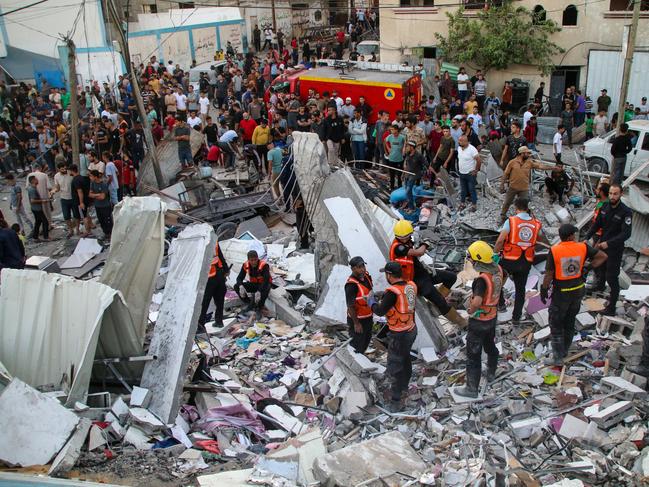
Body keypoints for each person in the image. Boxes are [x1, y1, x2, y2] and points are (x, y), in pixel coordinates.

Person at [541, 224, 607, 365]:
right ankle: (564, 350)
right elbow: (602, 256)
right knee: (570, 321)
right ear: (570, 235)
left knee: (556, 324)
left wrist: (544, 289)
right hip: (578, 291)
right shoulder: (582, 247)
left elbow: (549, 274)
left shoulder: (554, 250)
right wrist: (587, 268)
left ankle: (557, 358)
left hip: (561, 294)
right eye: (574, 234)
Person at [390, 220, 466, 326]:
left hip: (424, 274)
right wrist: (425, 244)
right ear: (398, 236)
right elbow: (419, 253)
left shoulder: (406, 242)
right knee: (441, 303)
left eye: (408, 236)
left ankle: (433, 304)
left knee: (451, 277)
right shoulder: (398, 247)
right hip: (416, 281)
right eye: (404, 237)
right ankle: (462, 323)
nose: (407, 238)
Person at [455, 241, 504, 398]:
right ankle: (491, 372)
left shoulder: (481, 280)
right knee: (490, 345)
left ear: (477, 260)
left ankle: (471, 389)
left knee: (473, 356)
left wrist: (470, 310)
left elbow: (476, 302)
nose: (469, 261)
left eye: (470, 258)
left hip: (479, 321)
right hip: (491, 317)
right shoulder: (498, 271)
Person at [368, 261, 417, 412]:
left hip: (398, 334)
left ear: (389, 275)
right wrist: (384, 295)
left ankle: (395, 401)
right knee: (406, 359)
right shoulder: (411, 285)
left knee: (395, 365)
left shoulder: (392, 292)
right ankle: (404, 387)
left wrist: (371, 301)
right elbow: (400, 296)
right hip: (411, 329)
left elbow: (380, 311)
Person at [585, 183, 632, 316]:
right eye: (610, 193)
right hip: (602, 245)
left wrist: (609, 243)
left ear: (620, 194)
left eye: (615, 194)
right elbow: (597, 224)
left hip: (614, 249)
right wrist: (586, 237)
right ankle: (599, 286)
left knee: (612, 277)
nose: (612, 196)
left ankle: (611, 308)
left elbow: (626, 234)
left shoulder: (626, 212)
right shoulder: (604, 206)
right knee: (598, 267)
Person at [494, 198, 541, 323]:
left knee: (497, 281)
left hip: (509, 260)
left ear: (516, 208)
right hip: (525, 262)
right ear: (527, 207)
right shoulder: (536, 223)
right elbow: (538, 239)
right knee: (520, 290)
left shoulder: (512, 221)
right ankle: (516, 318)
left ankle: (501, 305)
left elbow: (500, 240)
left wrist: (495, 253)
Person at [500, 146, 554, 223]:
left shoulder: (529, 162)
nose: (529, 154)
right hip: (513, 187)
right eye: (527, 153)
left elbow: (540, 166)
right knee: (507, 202)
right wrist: (502, 184)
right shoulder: (512, 162)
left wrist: (552, 168)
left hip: (524, 188)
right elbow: (505, 174)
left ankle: (523, 218)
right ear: (522, 153)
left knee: (524, 203)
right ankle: (503, 216)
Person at [345, 256, 374, 354]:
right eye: (359, 267)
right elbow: (350, 306)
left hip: (368, 317)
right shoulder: (351, 285)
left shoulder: (366, 277)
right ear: (353, 269)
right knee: (357, 344)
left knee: (366, 340)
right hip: (358, 320)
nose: (363, 269)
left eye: (363, 266)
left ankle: (362, 357)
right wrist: (356, 324)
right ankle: (356, 363)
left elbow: (368, 293)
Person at [198, 241, 229, 332]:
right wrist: (226, 269)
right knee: (219, 300)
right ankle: (219, 322)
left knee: (205, 302)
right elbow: (220, 255)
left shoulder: (201, 240)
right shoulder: (214, 240)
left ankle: (200, 326)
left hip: (209, 276)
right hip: (219, 273)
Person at [235, 250, 272, 317]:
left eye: (255, 260)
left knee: (267, 287)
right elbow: (239, 278)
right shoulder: (245, 265)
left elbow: (266, 280)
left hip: (263, 285)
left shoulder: (264, 265)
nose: (254, 262)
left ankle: (258, 307)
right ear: (248, 260)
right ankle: (248, 302)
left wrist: (259, 291)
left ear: (258, 258)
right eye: (251, 260)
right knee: (236, 286)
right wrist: (241, 286)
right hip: (254, 284)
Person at [51, 162, 77, 238]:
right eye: (62, 169)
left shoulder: (70, 173)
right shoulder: (56, 176)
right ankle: (70, 230)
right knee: (66, 216)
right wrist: (53, 191)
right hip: (64, 198)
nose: (64, 170)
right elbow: (57, 187)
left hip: (73, 197)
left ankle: (76, 228)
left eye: (65, 168)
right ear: (59, 169)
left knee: (76, 215)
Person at [457, 135, 481, 212]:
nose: (459, 142)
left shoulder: (472, 149)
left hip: (470, 174)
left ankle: (474, 205)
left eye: (461, 141)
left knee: (471, 189)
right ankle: (462, 203)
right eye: (459, 140)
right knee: (463, 189)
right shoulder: (459, 148)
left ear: (466, 141)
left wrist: (476, 170)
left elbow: (479, 160)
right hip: (461, 173)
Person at [88, 170, 113, 240]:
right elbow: (90, 194)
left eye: (91, 176)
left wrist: (94, 195)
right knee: (101, 220)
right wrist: (98, 194)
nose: (90, 177)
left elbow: (103, 197)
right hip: (97, 206)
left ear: (95, 177)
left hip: (105, 206)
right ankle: (106, 233)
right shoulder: (92, 184)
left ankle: (110, 234)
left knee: (107, 221)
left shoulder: (103, 184)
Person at [27, 175, 49, 241]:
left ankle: (35, 236)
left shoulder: (33, 188)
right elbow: (33, 200)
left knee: (38, 222)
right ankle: (46, 237)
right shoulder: (32, 189)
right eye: (36, 179)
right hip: (37, 209)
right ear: (33, 181)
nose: (37, 180)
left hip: (35, 208)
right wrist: (43, 201)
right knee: (45, 222)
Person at [384, 123, 405, 191]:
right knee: (392, 175)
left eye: (392, 129)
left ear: (396, 130)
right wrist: (388, 149)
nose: (391, 131)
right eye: (391, 129)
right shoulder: (390, 136)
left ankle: (399, 187)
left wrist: (404, 149)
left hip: (400, 159)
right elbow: (385, 141)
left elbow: (405, 143)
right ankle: (392, 187)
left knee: (399, 175)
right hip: (392, 159)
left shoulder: (402, 137)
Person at [403, 141, 424, 209]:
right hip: (407, 174)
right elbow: (407, 164)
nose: (407, 147)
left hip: (413, 175)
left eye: (408, 146)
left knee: (408, 191)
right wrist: (403, 173)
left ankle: (411, 207)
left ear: (412, 147)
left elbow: (425, 164)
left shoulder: (418, 155)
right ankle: (409, 203)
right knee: (407, 191)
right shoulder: (408, 153)